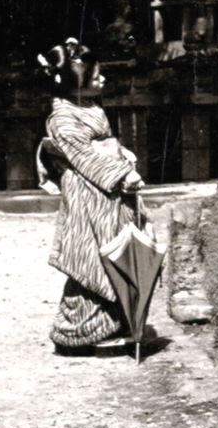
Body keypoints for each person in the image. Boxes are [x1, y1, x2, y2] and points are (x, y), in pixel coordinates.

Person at [37, 38, 144, 354]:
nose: (103, 80)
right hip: (87, 188)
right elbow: (84, 154)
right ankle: (79, 333)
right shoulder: (62, 118)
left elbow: (104, 143)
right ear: (74, 84)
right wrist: (121, 173)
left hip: (105, 191)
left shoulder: (88, 106)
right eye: (96, 77)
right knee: (90, 255)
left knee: (113, 249)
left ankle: (111, 324)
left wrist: (121, 154)